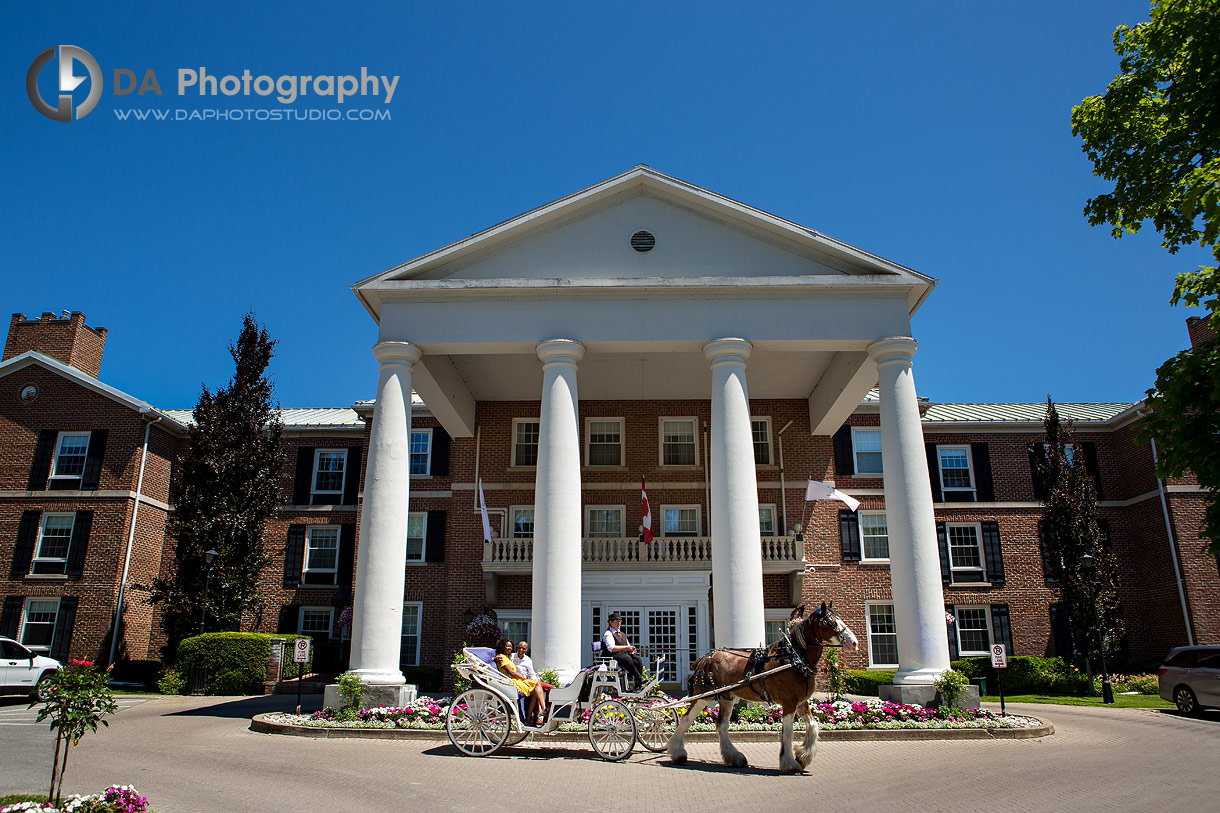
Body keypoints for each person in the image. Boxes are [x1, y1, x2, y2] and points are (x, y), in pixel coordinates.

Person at [495, 637, 547, 725]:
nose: (509, 648)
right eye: (507, 646)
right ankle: (543, 709)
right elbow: (511, 672)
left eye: (510, 647)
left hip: (519, 680)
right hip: (512, 680)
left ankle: (529, 718)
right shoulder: (504, 657)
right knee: (537, 685)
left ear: (526, 650)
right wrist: (525, 680)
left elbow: (532, 673)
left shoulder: (510, 657)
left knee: (535, 691)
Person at [602, 613, 644, 690]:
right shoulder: (608, 634)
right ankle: (638, 677)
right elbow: (612, 648)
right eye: (616, 621)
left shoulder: (622, 634)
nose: (619, 623)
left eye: (620, 621)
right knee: (625, 658)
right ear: (610, 622)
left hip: (622, 655)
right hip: (611, 657)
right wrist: (627, 648)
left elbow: (627, 645)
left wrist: (631, 649)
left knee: (637, 659)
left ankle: (638, 684)